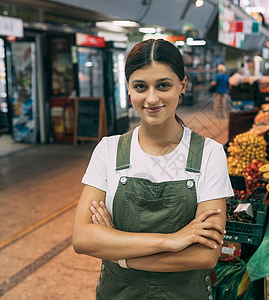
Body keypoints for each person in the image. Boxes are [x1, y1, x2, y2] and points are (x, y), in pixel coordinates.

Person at [72, 39, 234, 299]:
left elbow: (205, 254)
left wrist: (120, 254)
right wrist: (170, 241)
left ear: (182, 86)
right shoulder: (108, 150)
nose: (151, 98)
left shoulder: (209, 154)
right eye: (140, 86)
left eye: (163, 85)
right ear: (128, 89)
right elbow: (82, 238)